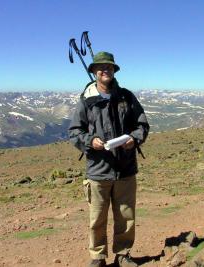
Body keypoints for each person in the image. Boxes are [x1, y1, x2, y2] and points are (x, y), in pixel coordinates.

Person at [68, 51, 149, 267]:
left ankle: (123, 254)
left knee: (126, 215)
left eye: (110, 67)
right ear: (94, 71)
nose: (106, 70)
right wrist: (90, 141)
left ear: (114, 71)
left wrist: (134, 138)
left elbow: (142, 125)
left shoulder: (126, 97)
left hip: (125, 168)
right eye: (101, 67)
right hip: (98, 169)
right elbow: (75, 132)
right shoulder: (86, 101)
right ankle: (98, 257)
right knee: (97, 218)